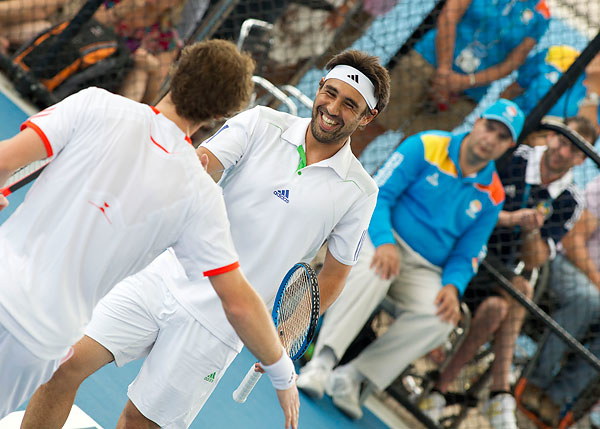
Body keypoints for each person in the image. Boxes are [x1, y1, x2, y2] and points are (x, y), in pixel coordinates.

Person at [21, 49, 391, 429]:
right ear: (320, 87)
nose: (332, 108)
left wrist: (288, 332)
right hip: (163, 276)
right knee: (61, 366)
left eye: (350, 105)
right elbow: (203, 165)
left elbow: (333, 276)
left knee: (138, 423)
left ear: (367, 117)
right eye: (330, 93)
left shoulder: (361, 192)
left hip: (222, 326)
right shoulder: (262, 121)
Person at [296, 98, 524, 420]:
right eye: (490, 127)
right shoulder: (426, 144)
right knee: (376, 271)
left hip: (425, 268)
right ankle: (323, 362)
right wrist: (386, 242)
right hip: (382, 238)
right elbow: (379, 194)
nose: (491, 139)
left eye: (502, 137)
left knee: (442, 317)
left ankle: (352, 377)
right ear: (477, 122)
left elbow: (468, 253)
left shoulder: (494, 195)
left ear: (508, 147)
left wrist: (454, 287)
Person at [420, 116, 594, 429]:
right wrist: (511, 219)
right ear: (551, 137)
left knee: (498, 308)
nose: (563, 151)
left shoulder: (570, 200)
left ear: (582, 159)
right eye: (562, 140)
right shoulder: (514, 157)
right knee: (521, 290)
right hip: (461, 246)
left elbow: (534, 260)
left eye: (574, 149)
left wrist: (531, 230)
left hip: (498, 272)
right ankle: (500, 393)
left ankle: (438, 391)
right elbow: (471, 205)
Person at [350, 0, 550, 156]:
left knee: (416, 148)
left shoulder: (542, 14)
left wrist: (465, 82)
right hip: (427, 61)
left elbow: (512, 63)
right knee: (373, 124)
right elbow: (449, 16)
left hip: (468, 92)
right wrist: (445, 71)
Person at [517, 165, 600, 428]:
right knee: (589, 299)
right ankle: (532, 382)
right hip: (567, 265)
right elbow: (574, 242)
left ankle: (557, 399)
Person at [502, 45, 600, 132]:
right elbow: (515, 88)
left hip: (542, 138)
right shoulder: (558, 54)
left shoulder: (595, 94)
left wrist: (594, 91)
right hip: (509, 120)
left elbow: (586, 135)